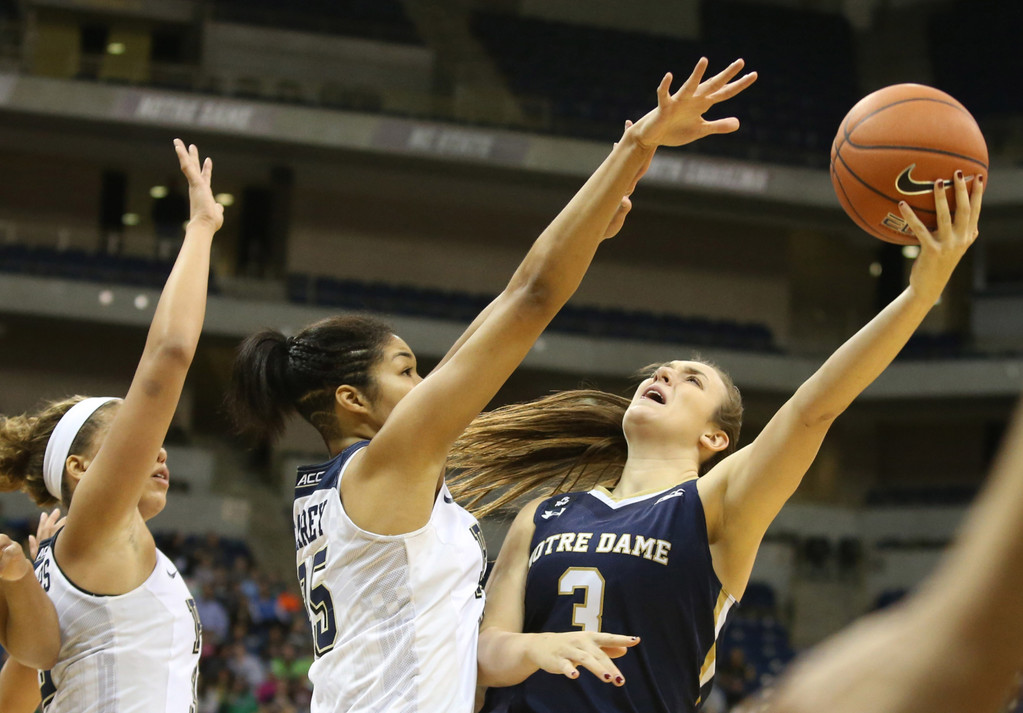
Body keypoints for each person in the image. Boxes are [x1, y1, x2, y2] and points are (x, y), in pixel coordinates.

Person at [225, 58, 757, 713]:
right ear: (352, 400)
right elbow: (528, 297)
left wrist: (587, 228)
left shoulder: (352, 483)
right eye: (405, 371)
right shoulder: (386, 467)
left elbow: (491, 323)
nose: (426, 382)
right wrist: (635, 145)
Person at [445, 171, 984, 712]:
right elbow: (485, 655)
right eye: (660, 371)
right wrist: (538, 648)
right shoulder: (542, 515)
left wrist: (919, 295)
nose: (663, 376)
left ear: (715, 437)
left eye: (690, 379)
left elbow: (813, 409)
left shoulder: (713, 505)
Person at [0, 138, 223, 713]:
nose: (158, 451)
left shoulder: (71, 552)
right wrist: (200, 226)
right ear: (80, 468)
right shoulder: (96, 526)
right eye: (136, 438)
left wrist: (32, 582)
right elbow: (169, 356)